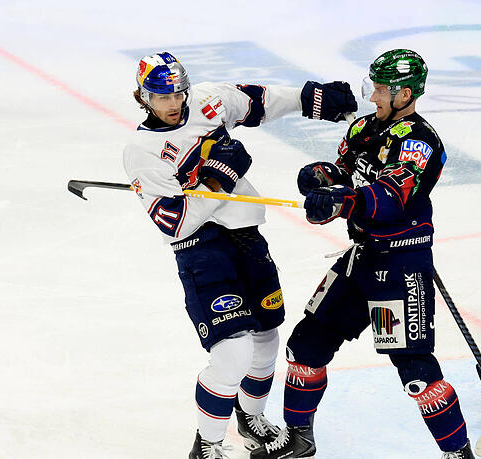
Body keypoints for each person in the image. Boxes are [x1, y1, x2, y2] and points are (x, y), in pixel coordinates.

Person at [122, 52, 357, 459]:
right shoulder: (141, 152)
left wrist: (309, 97)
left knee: (267, 339)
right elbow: (175, 224)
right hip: (201, 251)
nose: (174, 103)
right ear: (144, 97)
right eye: (162, 97)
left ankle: (252, 418)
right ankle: (208, 445)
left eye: (178, 92)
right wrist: (218, 179)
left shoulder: (208, 100)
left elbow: (257, 101)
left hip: (248, 237)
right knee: (232, 351)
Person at [249, 49, 473, 459]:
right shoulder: (365, 128)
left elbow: (391, 197)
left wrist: (343, 201)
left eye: (381, 90)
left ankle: (458, 454)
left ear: (405, 94)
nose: (373, 98)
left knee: (416, 374)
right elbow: (345, 171)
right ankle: (299, 437)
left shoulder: (420, 142)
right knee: (306, 345)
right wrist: (323, 178)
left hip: (402, 263)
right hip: (362, 257)